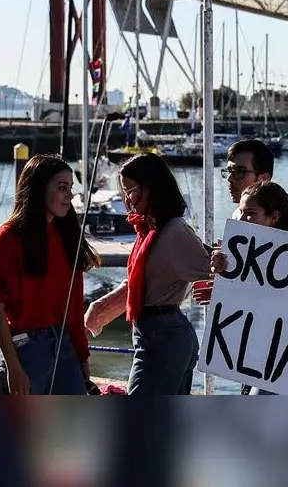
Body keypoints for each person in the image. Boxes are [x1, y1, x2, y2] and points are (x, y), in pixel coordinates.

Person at [84, 153, 211, 395]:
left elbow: (215, 270)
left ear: (151, 187)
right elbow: (138, 283)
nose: (126, 199)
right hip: (155, 333)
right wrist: (100, 309)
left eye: (130, 190)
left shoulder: (174, 231)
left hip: (164, 335)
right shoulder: (149, 229)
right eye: (123, 191)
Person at [0, 154, 100, 395]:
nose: (70, 195)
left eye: (71, 188)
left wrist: (82, 354)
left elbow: (74, 306)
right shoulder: (7, 238)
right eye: (61, 187)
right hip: (25, 349)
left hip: (64, 345)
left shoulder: (68, 236)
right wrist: (13, 367)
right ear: (38, 189)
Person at [202, 180, 288, 395]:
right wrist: (223, 271)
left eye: (250, 214)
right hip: (254, 354)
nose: (243, 219)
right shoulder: (241, 256)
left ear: (273, 217)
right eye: (242, 212)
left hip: (284, 357)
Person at [222, 139, 288, 220]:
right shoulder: (237, 214)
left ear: (264, 179)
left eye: (240, 172)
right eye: (229, 171)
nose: (229, 178)